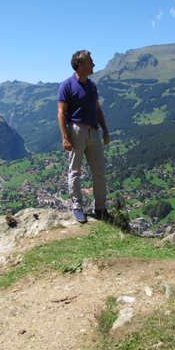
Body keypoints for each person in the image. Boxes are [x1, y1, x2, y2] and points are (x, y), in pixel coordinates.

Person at [58, 50, 113, 223]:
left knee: (99, 172)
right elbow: (61, 112)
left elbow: (97, 109)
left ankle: (101, 208)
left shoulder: (92, 85)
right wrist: (65, 137)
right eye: (90, 61)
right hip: (76, 130)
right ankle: (77, 207)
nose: (93, 64)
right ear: (80, 65)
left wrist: (105, 130)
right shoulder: (66, 85)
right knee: (75, 170)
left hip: (93, 131)